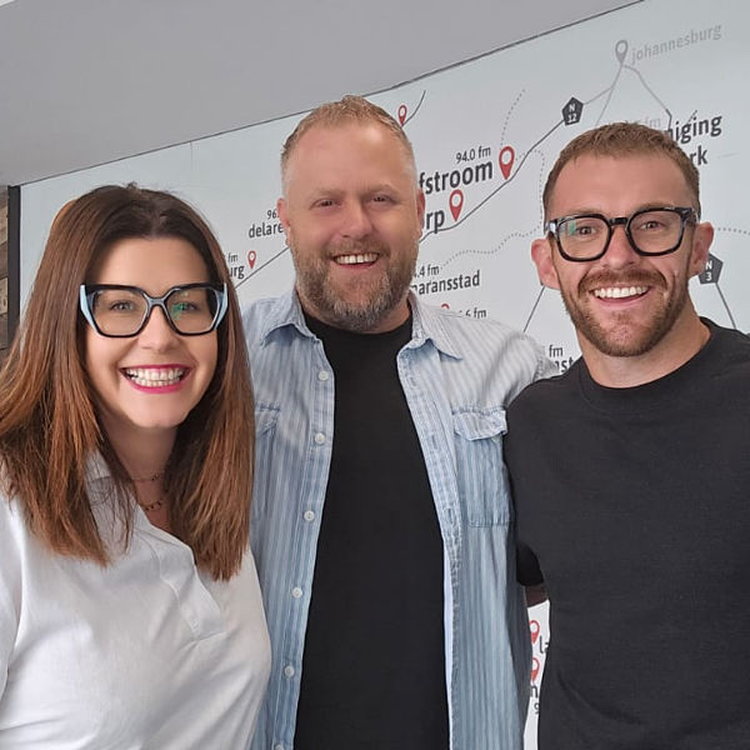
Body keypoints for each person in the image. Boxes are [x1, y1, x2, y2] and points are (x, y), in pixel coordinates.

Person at [244, 95, 552, 750]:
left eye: (381, 199)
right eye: (326, 203)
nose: (356, 225)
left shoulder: (508, 369)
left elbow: (556, 564)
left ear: (418, 211)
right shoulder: (226, 366)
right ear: (286, 222)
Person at [505, 122, 750, 748]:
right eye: (584, 229)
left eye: (653, 223)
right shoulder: (530, 426)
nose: (617, 257)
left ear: (698, 247)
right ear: (547, 262)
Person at [0, 185, 270, 747]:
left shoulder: (218, 485)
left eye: (188, 304)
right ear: (65, 324)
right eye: (121, 306)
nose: (160, 337)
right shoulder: (11, 502)